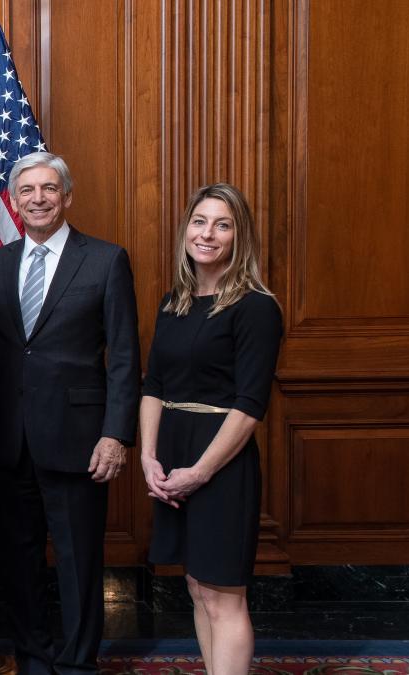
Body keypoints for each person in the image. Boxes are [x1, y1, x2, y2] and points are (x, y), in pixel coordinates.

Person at [0, 152, 140, 674]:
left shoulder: (105, 260)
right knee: (18, 561)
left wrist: (116, 434)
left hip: (80, 440)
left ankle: (77, 663)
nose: (38, 199)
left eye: (49, 188)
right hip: (8, 440)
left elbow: (124, 357)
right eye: (27, 190)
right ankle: (32, 658)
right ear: (13, 201)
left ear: (67, 196)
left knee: (78, 562)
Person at [140, 183, 282, 675]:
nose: (208, 234)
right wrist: (148, 458)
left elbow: (250, 405)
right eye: (200, 222)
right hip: (172, 457)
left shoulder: (256, 307)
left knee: (224, 595)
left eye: (223, 225)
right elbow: (154, 385)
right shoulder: (174, 302)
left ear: (239, 237)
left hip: (221, 464)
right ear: (186, 230)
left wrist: (200, 472)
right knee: (198, 587)